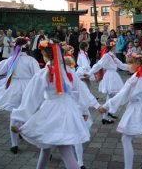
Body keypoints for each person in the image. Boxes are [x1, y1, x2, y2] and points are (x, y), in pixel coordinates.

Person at [10, 39, 95, 169]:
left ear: (46, 55)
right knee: (46, 148)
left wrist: (18, 119)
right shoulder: (68, 71)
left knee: (65, 151)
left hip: (53, 112)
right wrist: (83, 110)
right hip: (69, 110)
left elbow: (31, 98)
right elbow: (79, 91)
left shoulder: (44, 73)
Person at [98, 53, 142, 169]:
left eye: (130, 63)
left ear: (137, 63)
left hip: (137, 109)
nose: (128, 65)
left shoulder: (136, 77)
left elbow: (122, 94)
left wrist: (106, 106)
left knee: (126, 138)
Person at [0, 37, 40, 153]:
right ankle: (29, 136)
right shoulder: (31, 60)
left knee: (15, 114)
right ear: (27, 47)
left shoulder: (10, 60)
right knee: (28, 112)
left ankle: (14, 144)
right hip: (28, 88)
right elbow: (38, 76)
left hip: (14, 88)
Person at [86, 39, 128, 124]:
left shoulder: (112, 55)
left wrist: (133, 67)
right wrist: (89, 73)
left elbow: (121, 65)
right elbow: (99, 65)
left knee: (111, 97)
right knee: (114, 96)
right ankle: (106, 115)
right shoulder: (107, 56)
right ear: (112, 46)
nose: (116, 47)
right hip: (111, 77)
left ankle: (107, 114)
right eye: (115, 46)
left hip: (113, 76)